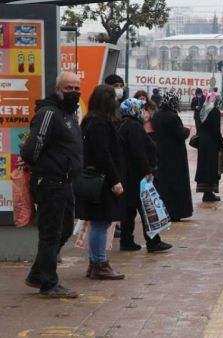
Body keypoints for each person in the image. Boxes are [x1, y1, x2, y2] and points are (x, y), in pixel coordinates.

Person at [21, 72, 83, 298]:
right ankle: (49, 283)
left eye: (77, 88)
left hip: (65, 182)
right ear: (58, 89)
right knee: (51, 233)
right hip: (50, 183)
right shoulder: (49, 113)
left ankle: (38, 273)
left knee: (65, 229)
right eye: (69, 88)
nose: (74, 93)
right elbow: (31, 149)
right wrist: (41, 166)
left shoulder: (69, 115)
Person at [77, 85, 126, 280]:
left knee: (99, 220)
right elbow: (103, 154)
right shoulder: (99, 123)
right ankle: (99, 263)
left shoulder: (90, 121)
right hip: (102, 180)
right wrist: (115, 180)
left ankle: (95, 262)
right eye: (113, 98)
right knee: (101, 221)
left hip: (95, 178)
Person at [118, 99, 172, 253]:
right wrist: (147, 170)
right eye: (141, 109)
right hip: (137, 175)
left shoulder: (122, 124)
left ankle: (126, 240)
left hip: (127, 174)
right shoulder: (134, 126)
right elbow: (138, 151)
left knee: (129, 209)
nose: (144, 113)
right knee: (147, 209)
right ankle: (153, 242)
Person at [152, 90, 194, 220]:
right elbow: (180, 134)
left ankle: (164, 211)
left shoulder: (157, 115)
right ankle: (176, 212)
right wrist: (187, 130)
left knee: (164, 184)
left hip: (161, 153)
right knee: (176, 184)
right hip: (174, 155)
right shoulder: (172, 116)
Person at [195, 91, 223, 202]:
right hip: (212, 143)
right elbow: (216, 130)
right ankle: (209, 193)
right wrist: (221, 143)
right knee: (211, 167)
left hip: (203, 142)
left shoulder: (203, 110)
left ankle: (206, 192)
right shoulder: (214, 111)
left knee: (204, 166)